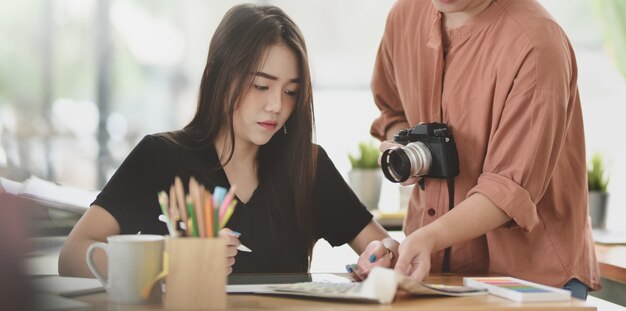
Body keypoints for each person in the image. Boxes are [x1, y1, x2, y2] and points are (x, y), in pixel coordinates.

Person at [59, 3, 398, 277]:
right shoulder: (160, 157)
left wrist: (380, 258)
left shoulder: (307, 166)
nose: (277, 106)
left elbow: (382, 250)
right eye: (261, 86)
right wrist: (169, 264)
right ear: (220, 77)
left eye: (291, 91)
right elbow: (73, 255)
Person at [370, 0, 600, 299]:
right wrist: (405, 148)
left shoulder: (536, 44)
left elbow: (506, 191)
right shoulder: (404, 16)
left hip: (531, 281)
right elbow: (392, 111)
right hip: (436, 269)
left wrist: (427, 238)